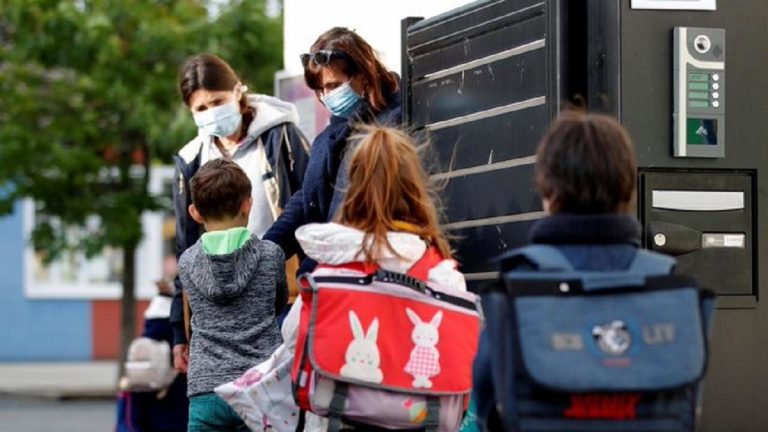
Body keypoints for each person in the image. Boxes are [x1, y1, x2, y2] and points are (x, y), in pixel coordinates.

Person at [238, 125, 466, 432]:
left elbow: (294, 342)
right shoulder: (443, 275)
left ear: (353, 188)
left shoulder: (329, 271)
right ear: (416, 189)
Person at [472, 111, 658, 429]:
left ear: (549, 193)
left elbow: (487, 393)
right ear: (627, 188)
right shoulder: (665, 283)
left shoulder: (521, 285)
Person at [170, 53, 309, 373]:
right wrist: (180, 330)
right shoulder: (192, 159)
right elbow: (185, 245)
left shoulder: (281, 138)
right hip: (219, 307)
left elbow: (309, 209)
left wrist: (269, 254)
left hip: (278, 298)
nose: (212, 113)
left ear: (237, 90)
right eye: (200, 109)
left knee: (278, 403)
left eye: (218, 101)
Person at [264, 27, 402, 274]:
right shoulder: (329, 136)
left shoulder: (392, 126)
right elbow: (306, 198)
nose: (328, 96)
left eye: (335, 85)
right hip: (326, 271)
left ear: (364, 74)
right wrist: (266, 250)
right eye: (321, 89)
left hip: (366, 270)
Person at [177, 159, 287, 431]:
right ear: (248, 204)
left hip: (206, 389)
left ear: (195, 213)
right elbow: (279, 302)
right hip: (260, 387)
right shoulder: (271, 255)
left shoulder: (187, 261)